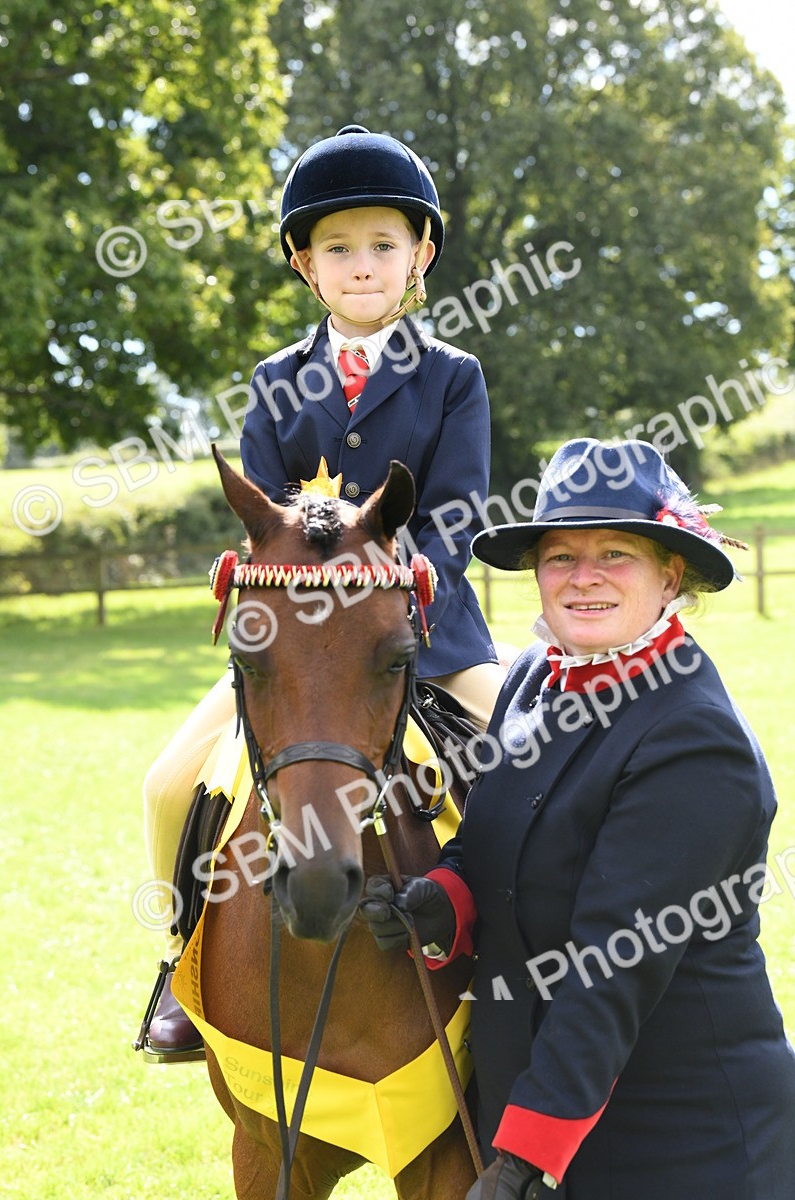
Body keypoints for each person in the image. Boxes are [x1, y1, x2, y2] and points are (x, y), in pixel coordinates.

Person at [139, 124, 505, 1059]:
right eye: (338, 248)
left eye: (383, 245)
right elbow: (261, 520)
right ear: (306, 265)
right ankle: (179, 971)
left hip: (428, 636)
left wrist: (390, 574)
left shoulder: (454, 379)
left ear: (420, 254)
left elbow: (457, 515)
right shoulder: (274, 382)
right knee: (168, 784)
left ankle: (527, 966)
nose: (362, 265)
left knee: (523, 772)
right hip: (296, 651)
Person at [360, 437, 795, 1199]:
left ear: (669, 575)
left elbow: (612, 970)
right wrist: (443, 899)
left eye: (615, 553)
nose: (583, 577)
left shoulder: (695, 739)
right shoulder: (532, 678)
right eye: (560, 557)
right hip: (542, 1103)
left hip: (682, 1139)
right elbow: (488, 841)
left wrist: (525, 1156)